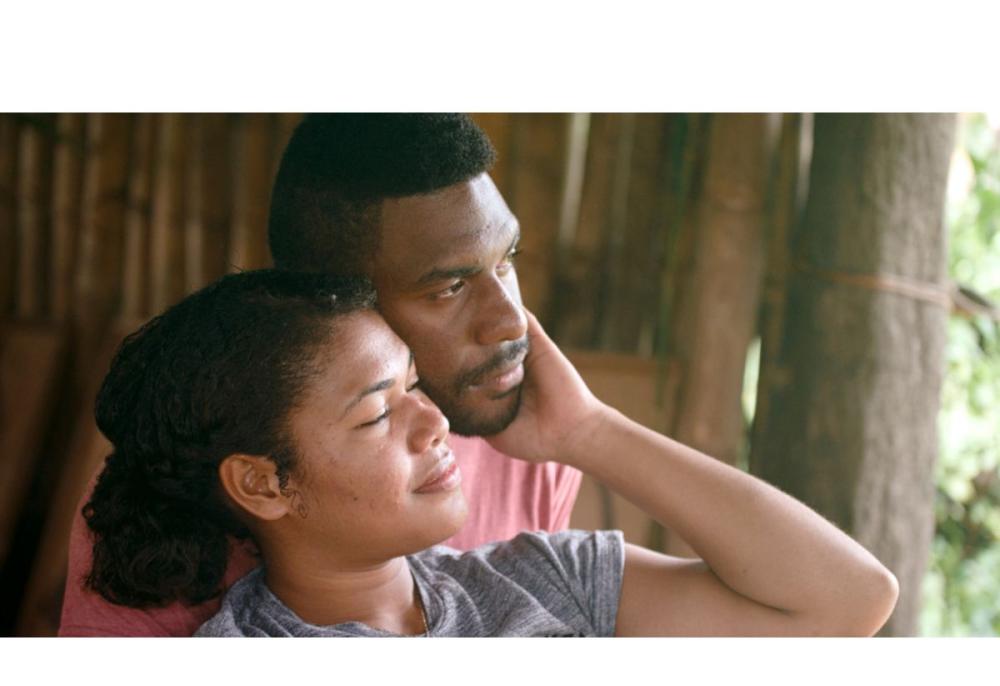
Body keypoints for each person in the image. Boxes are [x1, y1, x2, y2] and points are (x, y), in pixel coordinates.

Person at [86, 270, 898, 637]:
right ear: (264, 483)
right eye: (377, 415)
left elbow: (845, 601)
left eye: (413, 387)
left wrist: (589, 432)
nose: (431, 421)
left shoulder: (543, 581)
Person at [59, 114, 582, 636]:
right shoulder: (162, 508)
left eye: (507, 258)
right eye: (446, 288)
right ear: (332, 304)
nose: (513, 321)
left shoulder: (532, 447)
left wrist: (591, 435)